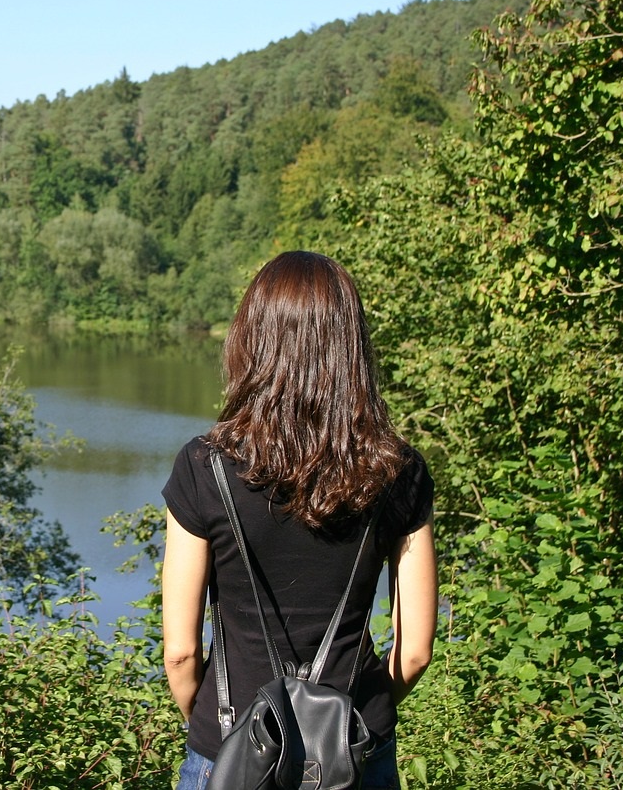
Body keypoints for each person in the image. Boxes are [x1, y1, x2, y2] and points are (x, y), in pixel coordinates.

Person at [160, 251, 437, 789]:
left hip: (231, 744)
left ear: (252, 339)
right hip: (356, 752)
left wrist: (220, 732)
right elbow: (416, 649)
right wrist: (356, 718)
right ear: (350, 345)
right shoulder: (399, 471)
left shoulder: (203, 466)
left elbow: (181, 652)